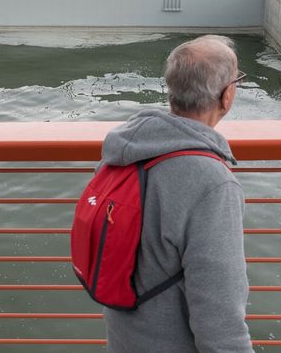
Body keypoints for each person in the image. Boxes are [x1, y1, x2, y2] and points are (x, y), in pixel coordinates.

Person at [100, 36, 252, 352]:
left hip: (124, 340)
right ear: (227, 96)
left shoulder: (126, 149)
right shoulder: (212, 184)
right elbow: (221, 323)